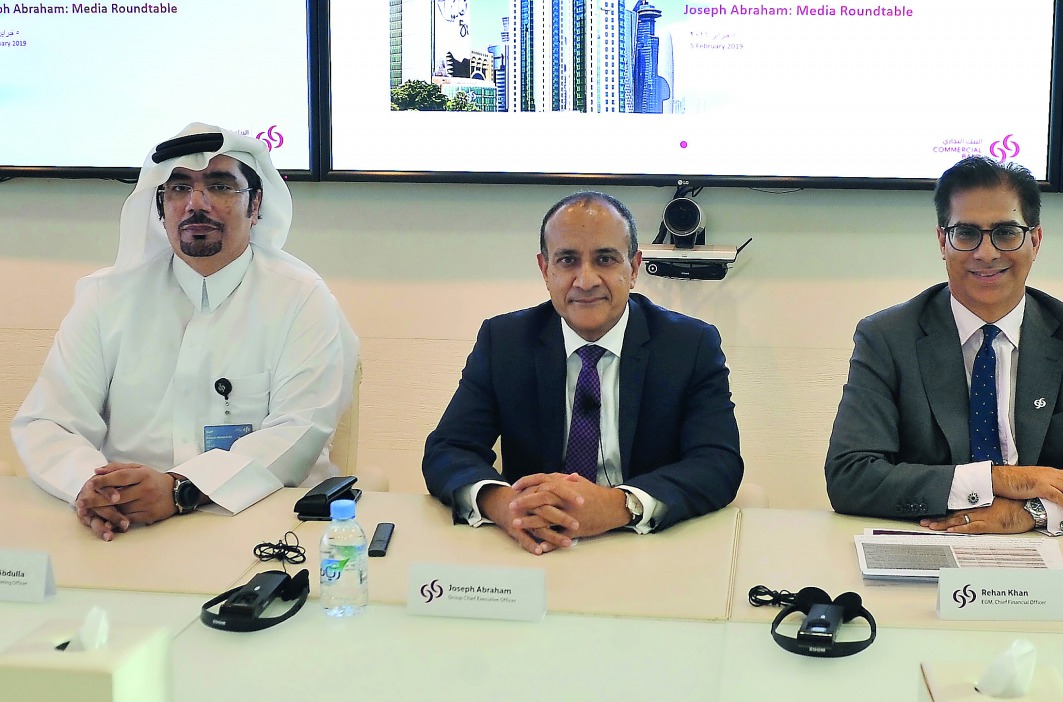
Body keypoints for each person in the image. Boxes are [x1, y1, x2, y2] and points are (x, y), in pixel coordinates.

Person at [11, 124, 359, 541]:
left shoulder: (300, 299)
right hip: (123, 529)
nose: (197, 203)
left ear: (256, 204)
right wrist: (96, 489)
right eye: (178, 189)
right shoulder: (108, 297)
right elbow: (50, 422)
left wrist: (181, 489)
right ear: (160, 207)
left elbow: (299, 431)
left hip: (254, 528)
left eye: (220, 186)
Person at [824, 156, 1063, 538]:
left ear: (1035, 240)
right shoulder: (887, 337)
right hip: (929, 538)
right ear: (942, 241)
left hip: (1055, 551)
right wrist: (998, 480)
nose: (986, 253)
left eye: (1006, 232)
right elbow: (850, 476)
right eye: (966, 233)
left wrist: (1033, 511)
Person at [423, 191, 742, 555]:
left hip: (647, 546)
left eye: (605, 259)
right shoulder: (505, 342)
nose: (586, 279)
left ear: (633, 268)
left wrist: (618, 505)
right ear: (545, 270)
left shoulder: (689, 345)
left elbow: (718, 462)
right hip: (537, 548)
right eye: (568, 260)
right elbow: (447, 449)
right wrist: (506, 505)